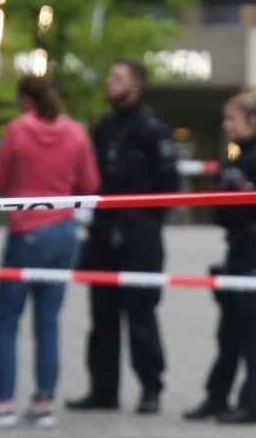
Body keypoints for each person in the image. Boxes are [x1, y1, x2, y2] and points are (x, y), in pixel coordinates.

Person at [0, 76, 100, 430]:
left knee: (7, 318)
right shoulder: (75, 132)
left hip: (27, 232)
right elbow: (90, 184)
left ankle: (2, 401)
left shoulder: (18, 131)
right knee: (48, 320)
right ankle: (43, 401)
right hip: (65, 234)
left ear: (25, 99)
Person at [68, 58, 181, 415]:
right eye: (109, 75)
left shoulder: (153, 131)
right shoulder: (103, 128)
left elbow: (169, 186)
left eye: (117, 78)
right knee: (101, 314)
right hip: (103, 230)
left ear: (136, 86)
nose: (109, 82)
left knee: (141, 313)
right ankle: (103, 390)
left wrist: (145, 223)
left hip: (139, 232)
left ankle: (150, 388)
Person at [183, 89, 256, 426]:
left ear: (252, 122)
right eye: (225, 119)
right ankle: (217, 397)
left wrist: (246, 195)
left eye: (233, 119)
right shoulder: (233, 156)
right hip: (235, 249)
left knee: (252, 333)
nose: (227, 126)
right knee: (228, 331)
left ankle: (251, 405)